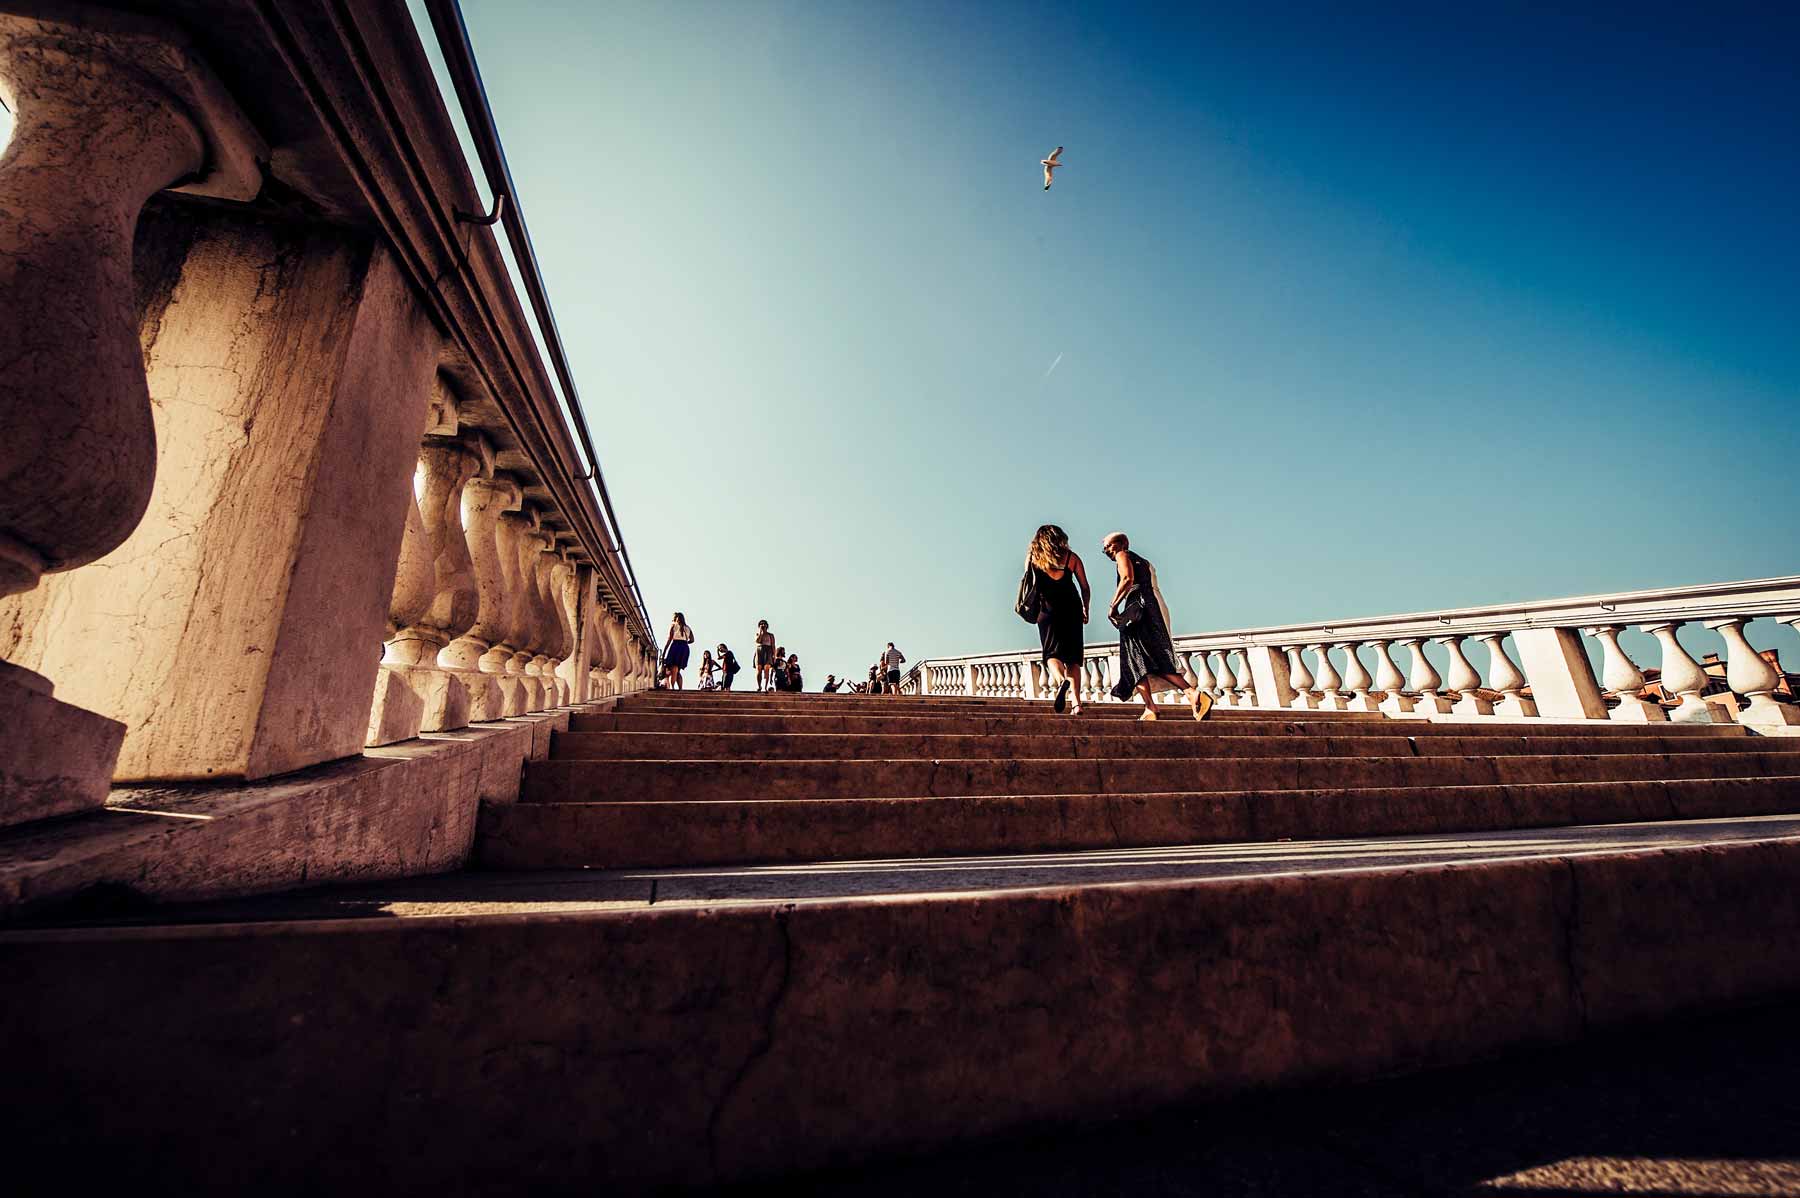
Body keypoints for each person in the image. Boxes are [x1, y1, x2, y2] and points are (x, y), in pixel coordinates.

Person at [1100, 531, 1211, 721]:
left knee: (1135, 657)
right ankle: (1188, 695)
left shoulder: (1123, 555)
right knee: (1151, 658)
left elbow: (1127, 579)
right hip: (1153, 606)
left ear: (1121, 544)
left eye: (1108, 546)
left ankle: (1154, 706)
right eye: (1104, 549)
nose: (1106, 551)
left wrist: (1113, 606)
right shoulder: (1143, 561)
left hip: (1139, 609)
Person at [1024, 524, 1091, 715]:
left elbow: (1028, 582)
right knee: (1073, 659)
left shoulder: (1034, 558)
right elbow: (1085, 587)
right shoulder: (1072, 558)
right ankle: (1077, 704)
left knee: (1051, 654)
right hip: (1072, 609)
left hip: (1047, 611)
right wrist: (1086, 607)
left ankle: (1062, 681)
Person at [662, 612, 695, 690]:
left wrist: (664, 651)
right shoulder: (688, 627)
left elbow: (669, 639)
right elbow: (692, 640)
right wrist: (685, 642)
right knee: (677, 670)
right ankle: (680, 688)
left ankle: (672, 687)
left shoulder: (673, 626)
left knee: (673, 669)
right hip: (684, 647)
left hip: (676, 646)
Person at [753, 620, 776, 692]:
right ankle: (759, 686)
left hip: (768, 650)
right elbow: (758, 641)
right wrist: (761, 633)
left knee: (767, 669)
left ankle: (765, 687)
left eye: (764, 624)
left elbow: (773, 646)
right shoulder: (757, 634)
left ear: (767, 625)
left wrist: (774, 656)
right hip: (759, 650)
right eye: (761, 624)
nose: (763, 625)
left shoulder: (771, 635)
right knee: (758, 669)